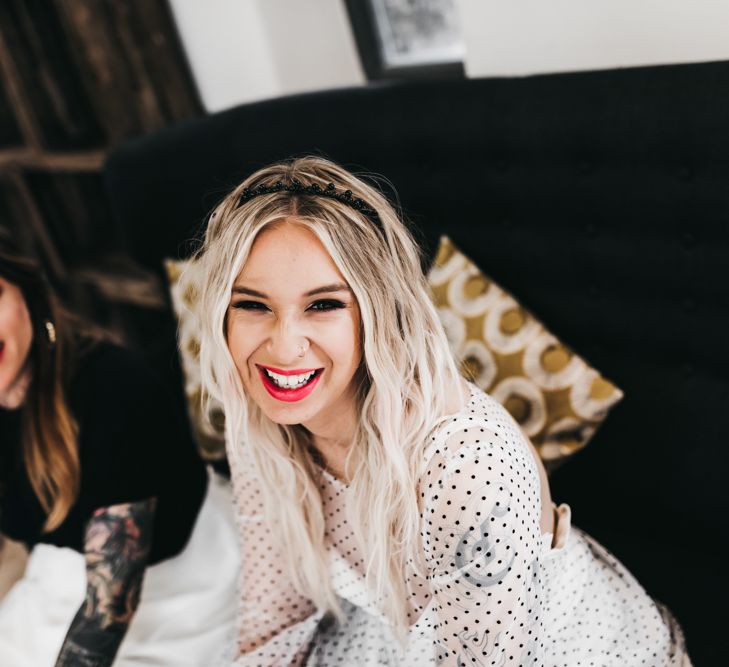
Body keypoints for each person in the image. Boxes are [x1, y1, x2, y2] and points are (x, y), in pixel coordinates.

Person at [195, 155, 693, 667]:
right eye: (252, 305)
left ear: (379, 311)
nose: (283, 346)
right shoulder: (257, 414)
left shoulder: (468, 467)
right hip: (408, 637)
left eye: (323, 305)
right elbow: (275, 616)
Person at [0, 229, 237, 666]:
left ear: (26, 295)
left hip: (182, 588)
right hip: (65, 574)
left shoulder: (113, 389)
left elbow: (105, 615)